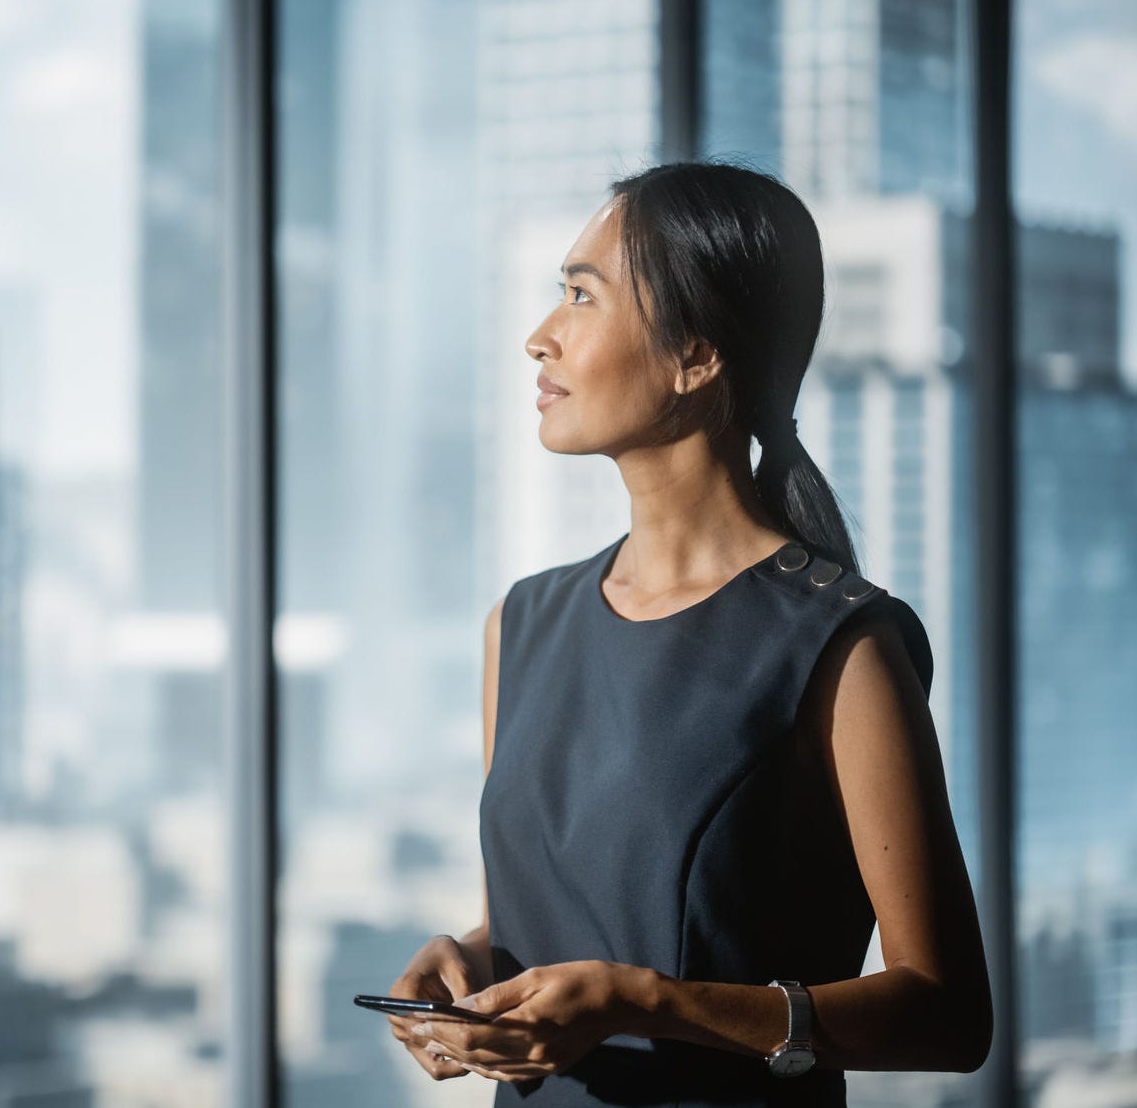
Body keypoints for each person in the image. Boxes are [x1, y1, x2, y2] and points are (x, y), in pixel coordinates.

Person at [386, 160, 993, 1106]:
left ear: (695, 355)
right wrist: (466, 960)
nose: (537, 337)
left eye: (581, 297)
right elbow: (562, 905)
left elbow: (947, 1014)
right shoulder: (523, 623)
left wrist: (650, 1003)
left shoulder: (839, 641)